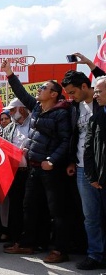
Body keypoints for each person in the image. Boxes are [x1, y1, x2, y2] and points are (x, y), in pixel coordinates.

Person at [1, 59, 73, 264]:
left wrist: (52, 160)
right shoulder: (39, 108)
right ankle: (28, 243)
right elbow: (22, 94)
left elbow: (65, 141)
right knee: (30, 207)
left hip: (51, 170)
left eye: (44, 88)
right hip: (34, 168)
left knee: (56, 211)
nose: (39, 90)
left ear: (54, 94)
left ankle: (60, 249)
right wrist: (9, 74)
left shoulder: (61, 113)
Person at [63, 64, 106, 270]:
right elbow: (75, 137)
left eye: (73, 92)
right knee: (90, 216)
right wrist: (72, 160)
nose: (70, 96)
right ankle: (95, 254)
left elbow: (103, 81)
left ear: (84, 86)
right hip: (82, 169)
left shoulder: (100, 103)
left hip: (103, 168)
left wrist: (90, 63)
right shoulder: (74, 107)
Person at [0, 98, 31, 247]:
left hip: (31, 171)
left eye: (13, 110)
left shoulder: (34, 124)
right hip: (14, 172)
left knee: (31, 205)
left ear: (22, 109)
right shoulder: (9, 128)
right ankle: (16, 238)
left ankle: (32, 239)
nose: (10, 113)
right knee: (15, 205)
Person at [83, 75, 106, 269]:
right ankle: (96, 255)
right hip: (99, 180)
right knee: (93, 218)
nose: (95, 95)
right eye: (95, 91)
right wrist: (92, 177)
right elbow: (88, 149)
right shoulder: (96, 118)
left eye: (99, 91)